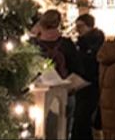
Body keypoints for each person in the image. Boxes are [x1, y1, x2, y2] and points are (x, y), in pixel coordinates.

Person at [32, 10, 82, 139]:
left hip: (38, 95)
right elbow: (77, 68)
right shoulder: (67, 45)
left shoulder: (33, 45)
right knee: (62, 130)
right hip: (65, 94)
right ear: (58, 23)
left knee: (39, 131)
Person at [73, 14, 105, 140]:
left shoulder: (94, 44)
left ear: (90, 26)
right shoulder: (81, 43)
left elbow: (91, 64)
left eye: (81, 26)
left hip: (91, 86)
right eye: (77, 26)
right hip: (81, 86)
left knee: (84, 119)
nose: (78, 29)